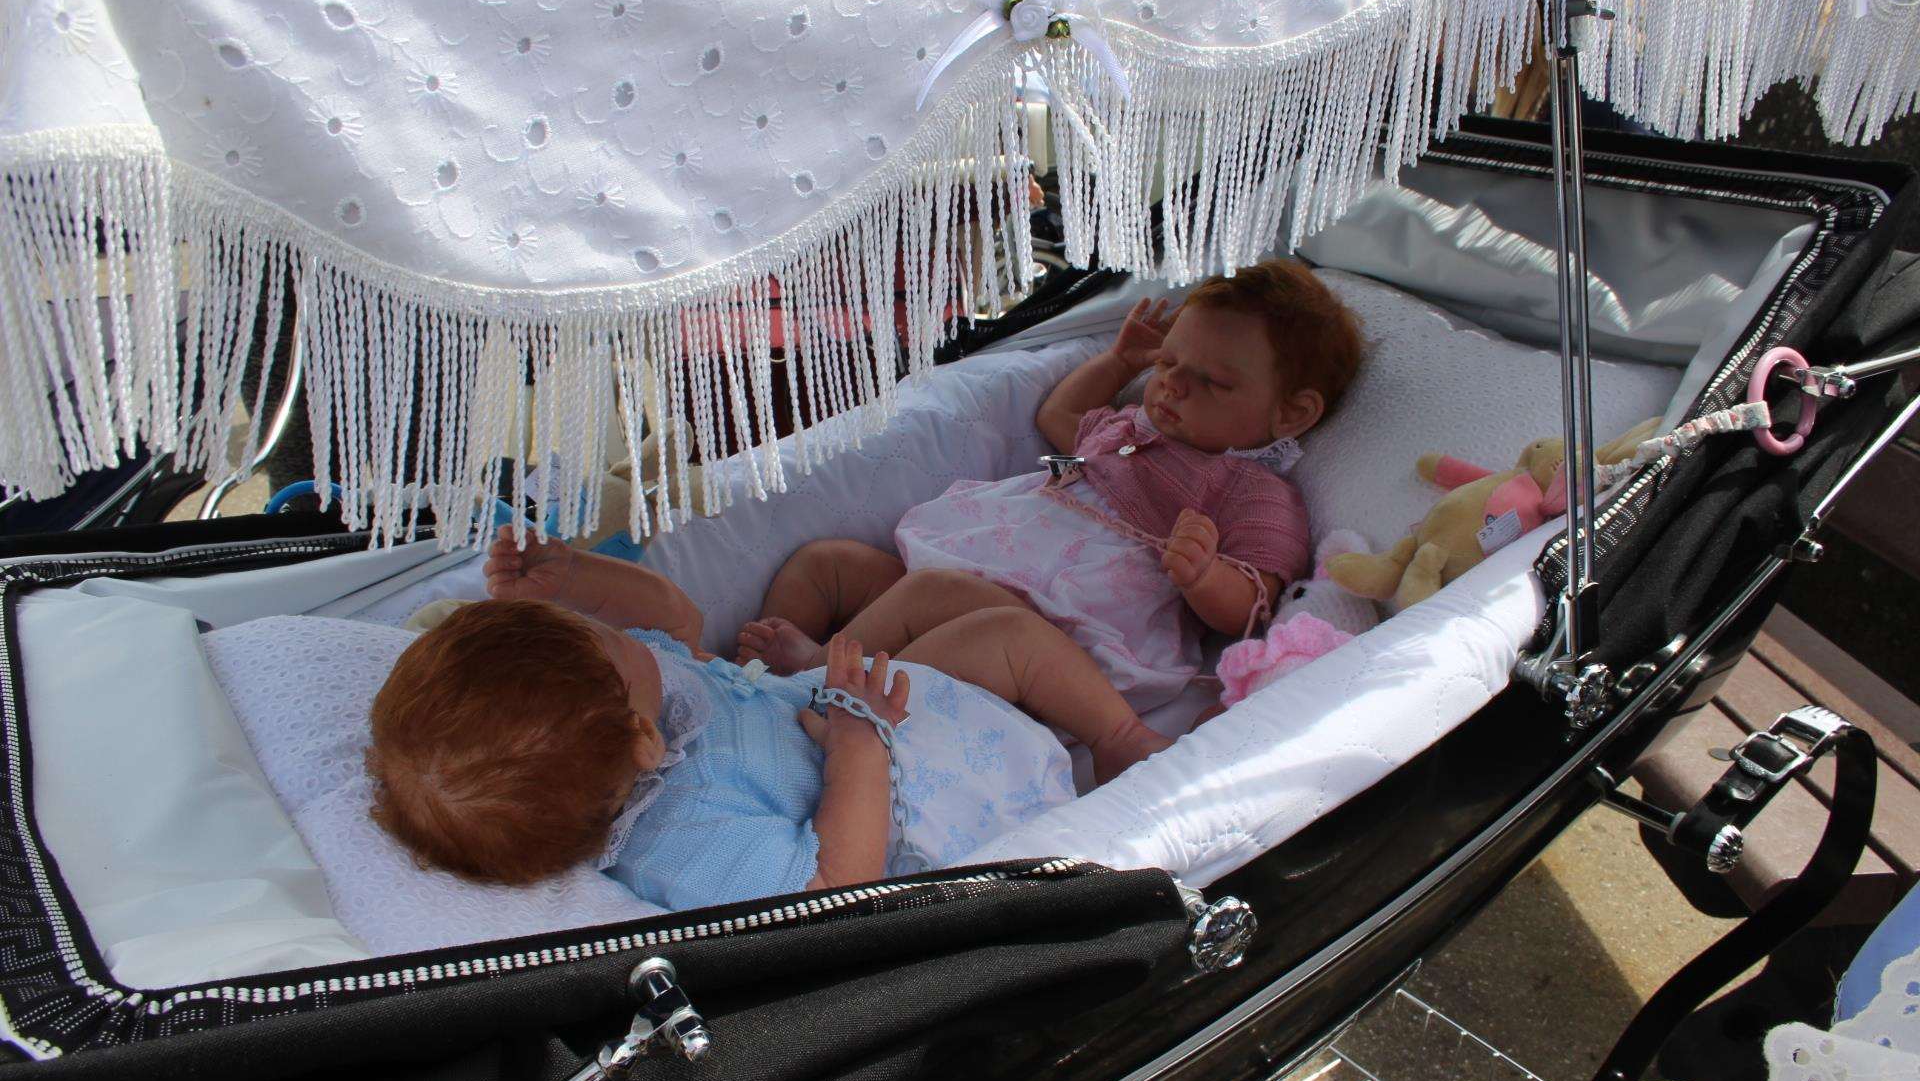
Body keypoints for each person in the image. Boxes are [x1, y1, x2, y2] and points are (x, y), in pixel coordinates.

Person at [737, 260, 1364, 780]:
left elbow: (1253, 604)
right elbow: (1059, 425)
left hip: (1064, 630)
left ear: (1292, 413)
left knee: (947, 601)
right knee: (827, 564)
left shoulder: (1250, 488)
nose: (1171, 385)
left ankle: (811, 684)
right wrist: (1120, 363)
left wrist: (1202, 575)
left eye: (1211, 381)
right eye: (1168, 364)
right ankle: (748, 681)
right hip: (970, 571)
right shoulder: (1125, 437)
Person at [363, 528, 1100, 908]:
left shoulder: (626, 711)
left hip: (849, 705)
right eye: (602, 630)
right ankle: (1130, 755)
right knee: (1004, 640)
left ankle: (1121, 731)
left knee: (965, 610)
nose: (609, 626)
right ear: (643, 738)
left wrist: (579, 577)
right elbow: (833, 892)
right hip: (931, 808)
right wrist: (856, 745)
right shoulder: (682, 844)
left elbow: (678, 623)